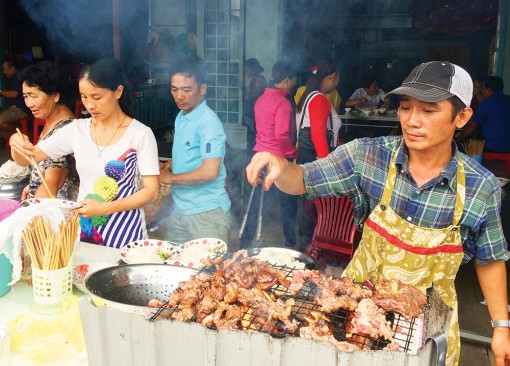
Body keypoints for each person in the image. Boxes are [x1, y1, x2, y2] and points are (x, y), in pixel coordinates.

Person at [245, 61, 510, 366]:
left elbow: (490, 259)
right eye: (406, 107)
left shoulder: (481, 187)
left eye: (428, 111)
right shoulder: (368, 156)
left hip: (429, 330)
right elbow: (302, 179)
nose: (412, 121)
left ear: (461, 116)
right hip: (359, 317)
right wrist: (280, 165)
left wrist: (501, 327)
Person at [10, 58, 160, 248]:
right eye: (84, 97)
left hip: (127, 233)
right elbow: (28, 158)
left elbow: (151, 191)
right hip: (86, 233)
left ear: (118, 92)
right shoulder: (76, 130)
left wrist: (105, 208)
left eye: (96, 97)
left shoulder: (140, 134)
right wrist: (16, 143)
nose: (89, 105)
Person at [159, 57, 231, 244]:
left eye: (186, 90)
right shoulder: (181, 116)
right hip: (180, 210)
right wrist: (173, 163)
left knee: (207, 272)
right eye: (174, 89)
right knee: (173, 267)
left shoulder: (208, 123)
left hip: (207, 214)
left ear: (202, 89)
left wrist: (172, 178)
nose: (179, 96)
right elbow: (191, 150)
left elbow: (210, 171)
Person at [239, 61, 298, 249]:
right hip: (278, 161)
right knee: (288, 205)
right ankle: (289, 245)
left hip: (258, 157)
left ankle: (244, 245)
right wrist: (291, 152)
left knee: (255, 204)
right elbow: (281, 134)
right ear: (287, 80)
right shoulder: (283, 103)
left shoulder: (261, 98)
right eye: (293, 81)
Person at [295, 58, 341, 252]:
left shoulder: (307, 96)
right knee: (315, 208)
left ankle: (308, 246)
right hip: (316, 161)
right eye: (338, 78)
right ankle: (312, 249)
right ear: (332, 77)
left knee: (308, 206)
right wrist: (326, 166)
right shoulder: (320, 99)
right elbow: (318, 135)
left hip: (306, 158)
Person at [18, 60, 79, 201]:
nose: (28, 103)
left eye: (33, 96)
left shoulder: (65, 129)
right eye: (25, 96)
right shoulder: (52, 122)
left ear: (55, 96)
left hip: (57, 212)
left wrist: (33, 214)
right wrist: (33, 186)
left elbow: (53, 182)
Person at [458, 76, 510, 153]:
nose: (482, 91)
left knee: (462, 147)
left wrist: (460, 139)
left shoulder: (487, 103)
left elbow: (472, 125)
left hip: (493, 147)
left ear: (489, 89)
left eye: (482, 88)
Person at [0, 58, 30, 133]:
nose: (4, 72)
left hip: (21, 109)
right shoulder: (17, 76)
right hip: (16, 107)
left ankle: (28, 134)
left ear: (13, 68)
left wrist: (1, 92)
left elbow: (14, 94)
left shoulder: (18, 77)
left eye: (6, 69)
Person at [244, 58, 267, 152]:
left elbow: (255, 97)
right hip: (254, 114)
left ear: (252, 70)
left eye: (246, 69)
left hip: (255, 114)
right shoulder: (256, 79)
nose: (245, 72)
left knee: (253, 137)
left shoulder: (258, 80)